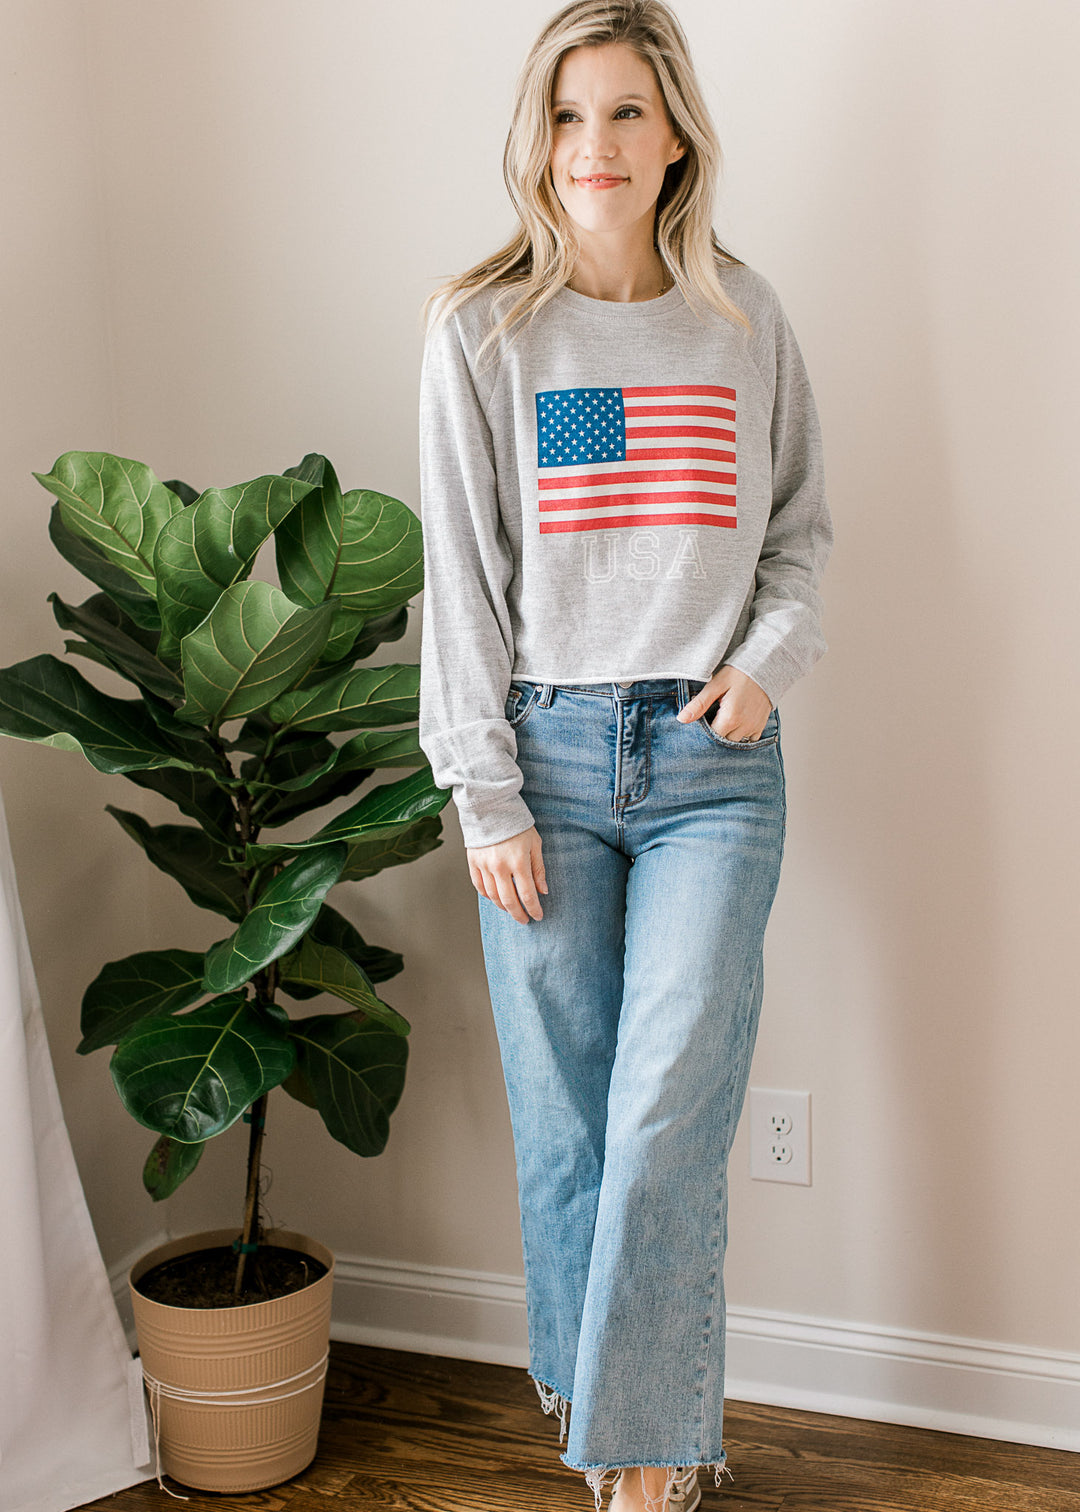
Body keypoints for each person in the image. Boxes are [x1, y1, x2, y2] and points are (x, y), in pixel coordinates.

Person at [416, 3, 832, 1508]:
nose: (594, 145)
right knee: (566, 1117)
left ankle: (645, 1466)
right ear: (539, 140)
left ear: (676, 140)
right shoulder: (483, 330)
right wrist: (485, 794)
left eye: (626, 113)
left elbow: (799, 535)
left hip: (712, 768)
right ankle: (608, 1415)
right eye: (568, 114)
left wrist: (763, 668)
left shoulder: (745, 319)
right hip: (543, 759)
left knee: (664, 1109)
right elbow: (460, 581)